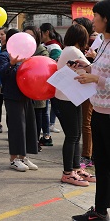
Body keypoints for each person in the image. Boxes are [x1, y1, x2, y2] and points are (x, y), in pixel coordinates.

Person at [72, 0, 110, 221]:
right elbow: (100, 68)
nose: (92, 20)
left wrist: (96, 77)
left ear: (106, 19)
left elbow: (104, 77)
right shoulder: (103, 42)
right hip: (99, 111)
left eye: (96, 16)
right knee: (102, 164)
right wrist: (86, 67)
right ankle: (100, 211)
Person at [52, 24, 96, 186]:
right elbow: (93, 69)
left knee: (76, 136)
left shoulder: (68, 50)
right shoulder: (73, 51)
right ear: (81, 38)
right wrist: (95, 56)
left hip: (71, 98)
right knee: (72, 136)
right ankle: (67, 173)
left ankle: (76, 169)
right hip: (66, 99)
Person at [0, 28, 39, 172]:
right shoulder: (3, 56)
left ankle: (23, 156)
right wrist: (12, 63)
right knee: (16, 128)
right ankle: (13, 159)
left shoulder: (26, 56)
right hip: (12, 96)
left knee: (28, 126)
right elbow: (3, 73)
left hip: (26, 95)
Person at [23, 26, 52, 150]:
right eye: (26, 35)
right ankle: (26, 142)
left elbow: (46, 63)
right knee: (25, 118)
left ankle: (35, 141)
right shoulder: (21, 49)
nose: (29, 38)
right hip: (24, 88)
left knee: (37, 116)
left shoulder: (41, 49)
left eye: (32, 35)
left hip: (38, 88)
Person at [72, 17, 95, 168]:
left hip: (91, 88)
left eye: (76, 27)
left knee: (86, 122)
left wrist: (91, 59)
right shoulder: (79, 47)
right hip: (82, 86)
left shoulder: (94, 43)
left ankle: (87, 155)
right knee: (84, 122)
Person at [40, 22, 63, 133]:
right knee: (46, 108)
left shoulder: (54, 47)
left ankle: (54, 125)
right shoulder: (44, 45)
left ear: (46, 33)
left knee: (56, 107)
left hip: (52, 82)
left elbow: (52, 64)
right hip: (44, 82)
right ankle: (47, 129)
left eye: (40, 32)